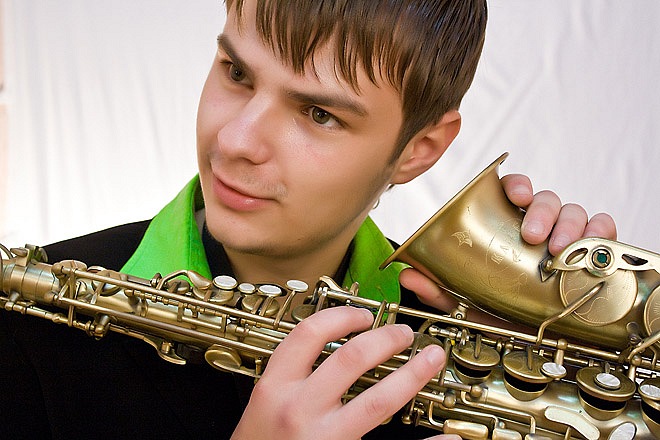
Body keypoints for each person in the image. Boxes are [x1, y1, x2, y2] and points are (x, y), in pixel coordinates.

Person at [0, 1, 617, 439]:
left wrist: (551, 359)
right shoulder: (23, 327)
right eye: (237, 73)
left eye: (319, 114)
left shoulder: (475, 338)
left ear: (418, 149)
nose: (236, 141)